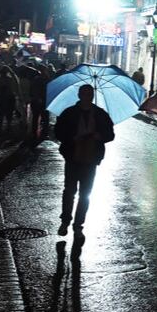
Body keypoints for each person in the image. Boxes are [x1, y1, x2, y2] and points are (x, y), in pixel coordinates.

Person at [54, 84, 115, 237]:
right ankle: (65, 221)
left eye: (90, 94)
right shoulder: (69, 113)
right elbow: (58, 132)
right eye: (84, 94)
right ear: (80, 95)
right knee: (69, 191)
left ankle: (78, 224)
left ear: (92, 96)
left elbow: (110, 134)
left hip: (91, 158)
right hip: (73, 157)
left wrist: (99, 136)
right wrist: (72, 138)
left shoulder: (100, 114)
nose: (87, 96)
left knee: (85, 193)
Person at [0, 66, 18, 133]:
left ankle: (0, 129)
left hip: (0, 100)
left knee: (0, 115)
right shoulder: (11, 79)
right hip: (10, 99)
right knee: (9, 115)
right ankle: (8, 127)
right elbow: (16, 85)